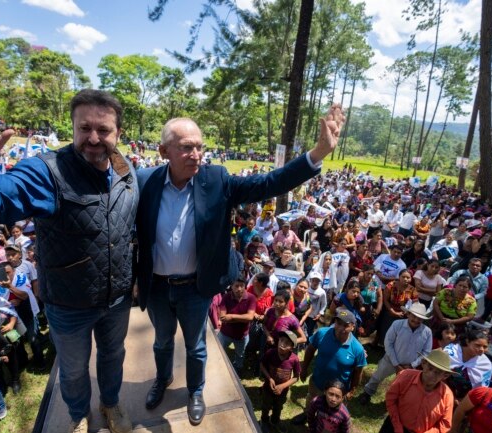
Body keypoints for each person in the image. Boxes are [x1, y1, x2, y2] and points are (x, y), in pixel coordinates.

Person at [135, 108, 344, 425]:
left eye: (199, 146)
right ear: (164, 151)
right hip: (158, 288)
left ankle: (195, 391)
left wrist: (317, 153)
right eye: (186, 147)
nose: (196, 154)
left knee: (196, 346)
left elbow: (269, 182)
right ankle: (162, 380)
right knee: (162, 341)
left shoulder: (216, 180)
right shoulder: (143, 182)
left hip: (195, 287)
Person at [0, 86, 138, 433]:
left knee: (114, 357)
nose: (93, 138)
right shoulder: (47, 173)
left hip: (118, 299)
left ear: (119, 133)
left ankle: (110, 403)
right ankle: (79, 414)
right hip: (69, 303)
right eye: (84, 128)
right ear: (72, 128)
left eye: (103, 130)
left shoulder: (127, 172)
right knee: (74, 368)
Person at [295, 309, 366, 425]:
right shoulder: (322, 333)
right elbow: (310, 350)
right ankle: (307, 415)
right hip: (317, 381)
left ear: (353, 327)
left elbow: (358, 372)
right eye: (338, 323)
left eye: (346, 325)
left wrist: (352, 390)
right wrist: (304, 369)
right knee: (311, 401)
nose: (340, 328)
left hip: (338, 391)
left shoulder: (357, 349)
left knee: (332, 414)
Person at [358, 302, 432, 405]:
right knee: (378, 376)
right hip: (390, 359)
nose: (416, 320)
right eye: (414, 316)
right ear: (408, 314)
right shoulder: (397, 324)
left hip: (410, 366)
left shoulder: (427, 332)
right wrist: (396, 364)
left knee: (404, 385)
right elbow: (388, 343)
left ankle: (395, 400)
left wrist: (412, 365)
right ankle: (367, 392)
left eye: (420, 318)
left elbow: (426, 352)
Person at [381, 349, 455, 433]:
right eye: (430, 368)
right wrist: (397, 426)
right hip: (394, 426)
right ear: (423, 363)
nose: (431, 374)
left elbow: (445, 424)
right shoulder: (405, 376)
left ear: (445, 376)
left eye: (437, 373)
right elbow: (390, 399)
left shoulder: (447, 396)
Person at [259, 330, 301, 433]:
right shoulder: (270, 353)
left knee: (278, 407)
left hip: (282, 392)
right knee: (266, 405)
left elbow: (296, 377)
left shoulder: (294, 359)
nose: (282, 344)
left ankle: (275, 421)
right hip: (268, 388)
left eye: (287, 343)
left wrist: (282, 386)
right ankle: (264, 421)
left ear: (292, 347)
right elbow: (262, 365)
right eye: (281, 340)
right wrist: (269, 378)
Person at [217, 279, 257, 373]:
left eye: (241, 286)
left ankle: (237, 371)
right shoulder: (226, 297)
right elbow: (223, 317)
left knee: (240, 356)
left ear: (245, 286)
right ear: (231, 286)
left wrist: (231, 316)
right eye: (236, 286)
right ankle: (218, 368)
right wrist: (242, 318)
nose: (239, 289)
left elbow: (250, 317)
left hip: (241, 336)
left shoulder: (251, 298)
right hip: (225, 334)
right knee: (218, 351)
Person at [443, 329, 492, 400]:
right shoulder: (450, 351)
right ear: (467, 341)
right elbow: (437, 372)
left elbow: (480, 390)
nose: (481, 349)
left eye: (485, 347)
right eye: (477, 345)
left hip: (463, 399)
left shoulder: (485, 364)